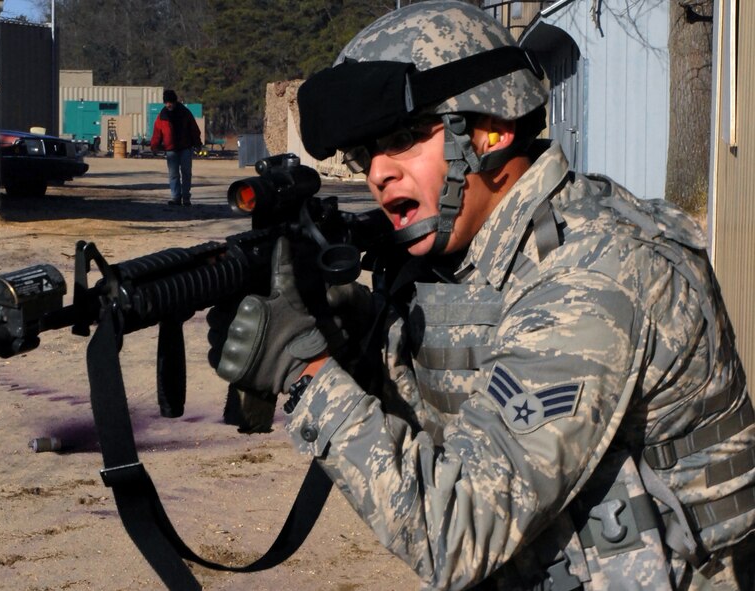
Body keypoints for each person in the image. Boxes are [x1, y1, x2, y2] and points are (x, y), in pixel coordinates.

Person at [208, 2, 755, 589]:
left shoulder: (593, 275)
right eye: (366, 155)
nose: (378, 174)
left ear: (489, 129)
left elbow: (458, 532)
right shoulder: (483, 251)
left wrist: (307, 373)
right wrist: (354, 339)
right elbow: (462, 387)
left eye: (403, 139)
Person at [150, 89, 202, 206]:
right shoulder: (162, 116)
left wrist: (197, 144)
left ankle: (186, 198)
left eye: (170, 102)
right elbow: (157, 132)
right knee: (173, 175)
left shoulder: (185, 113)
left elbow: (194, 130)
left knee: (186, 173)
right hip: (171, 150)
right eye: (166, 102)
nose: (169, 104)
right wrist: (154, 145)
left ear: (175, 101)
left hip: (185, 148)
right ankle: (175, 198)